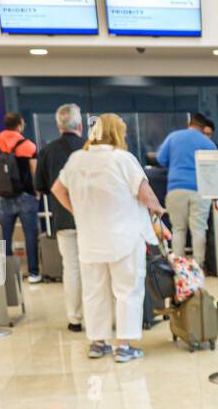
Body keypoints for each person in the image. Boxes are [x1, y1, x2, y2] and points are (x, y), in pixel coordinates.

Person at [51, 113, 168, 364]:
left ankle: (98, 343)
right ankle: (124, 346)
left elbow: (57, 189)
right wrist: (159, 210)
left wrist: (77, 211)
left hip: (90, 239)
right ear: (117, 133)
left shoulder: (76, 160)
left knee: (94, 292)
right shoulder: (121, 159)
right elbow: (144, 193)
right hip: (123, 238)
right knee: (127, 290)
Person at [34, 103, 86, 331]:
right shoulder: (89, 149)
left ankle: (74, 319)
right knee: (94, 268)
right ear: (81, 125)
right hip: (92, 219)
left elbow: (41, 186)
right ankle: (100, 319)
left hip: (63, 218)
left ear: (58, 126)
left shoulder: (47, 151)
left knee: (71, 268)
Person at [0, 111, 41, 283]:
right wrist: (37, 191)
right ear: (20, 125)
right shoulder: (29, 146)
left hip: (4, 196)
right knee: (30, 235)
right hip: (26, 195)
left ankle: (8, 274)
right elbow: (34, 171)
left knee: (5, 236)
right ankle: (33, 273)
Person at [156, 112, 217, 267]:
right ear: (203, 128)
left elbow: (160, 159)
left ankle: (179, 266)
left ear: (190, 124)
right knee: (199, 229)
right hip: (200, 191)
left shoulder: (173, 137)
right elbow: (216, 165)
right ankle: (198, 266)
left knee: (178, 229)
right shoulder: (207, 143)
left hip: (176, 189)